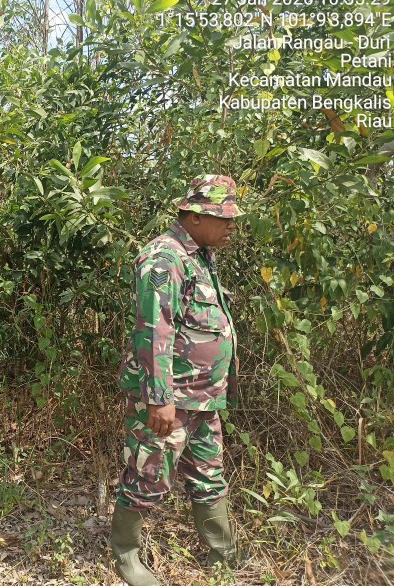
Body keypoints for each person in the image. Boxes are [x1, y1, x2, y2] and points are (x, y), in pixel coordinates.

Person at [111, 175, 243, 586]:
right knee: (148, 474)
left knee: (209, 473)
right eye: (223, 218)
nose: (230, 226)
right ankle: (126, 559)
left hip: (202, 398)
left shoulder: (199, 255)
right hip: (170, 399)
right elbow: (154, 330)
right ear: (195, 215)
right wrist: (158, 399)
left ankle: (223, 555)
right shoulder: (164, 258)